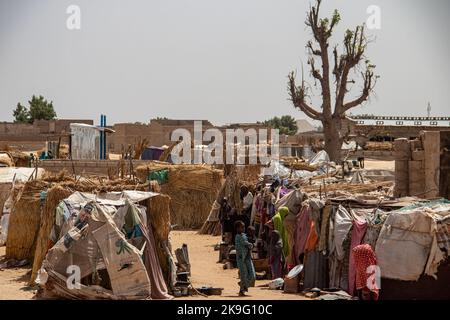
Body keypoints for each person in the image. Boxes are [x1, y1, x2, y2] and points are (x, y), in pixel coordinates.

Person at [234, 220, 256, 296]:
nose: (243, 228)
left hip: (247, 257)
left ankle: (243, 285)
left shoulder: (244, 235)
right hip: (241, 259)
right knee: (244, 275)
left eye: (244, 227)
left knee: (252, 275)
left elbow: (249, 240)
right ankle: (242, 290)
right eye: (241, 227)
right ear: (237, 228)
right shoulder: (238, 237)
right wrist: (252, 244)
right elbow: (245, 243)